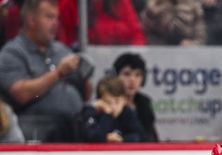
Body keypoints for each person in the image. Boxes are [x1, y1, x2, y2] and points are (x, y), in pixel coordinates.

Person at [0, 0, 91, 142]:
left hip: (75, 127)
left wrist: (85, 78)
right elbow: (21, 94)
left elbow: (86, 96)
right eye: (49, 17)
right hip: (37, 131)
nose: (55, 23)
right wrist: (58, 73)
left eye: (57, 18)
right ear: (31, 21)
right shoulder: (12, 53)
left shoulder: (62, 50)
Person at [75, 74, 144, 143]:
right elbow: (91, 136)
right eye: (108, 102)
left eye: (117, 101)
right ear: (99, 101)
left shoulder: (127, 113)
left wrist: (121, 140)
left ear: (124, 100)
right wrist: (105, 137)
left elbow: (140, 137)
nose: (113, 107)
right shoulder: (90, 112)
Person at [113, 52, 159, 142]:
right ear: (115, 77)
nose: (132, 80)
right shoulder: (109, 103)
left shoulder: (144, 103)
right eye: (127, 74)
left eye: (137, 75)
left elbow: (151, 138)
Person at [57, 0, 146, 47]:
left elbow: (137, 35)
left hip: (120, 62)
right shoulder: (69, 4)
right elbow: (66, 42)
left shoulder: (118, 2)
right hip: (82, 64)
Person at [140, 0, 206, 45]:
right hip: (160, 54)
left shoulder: (192, 6)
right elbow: (146, 33)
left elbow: (200, 33)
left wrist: (193, 44)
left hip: (187, 56)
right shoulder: (154, 6)